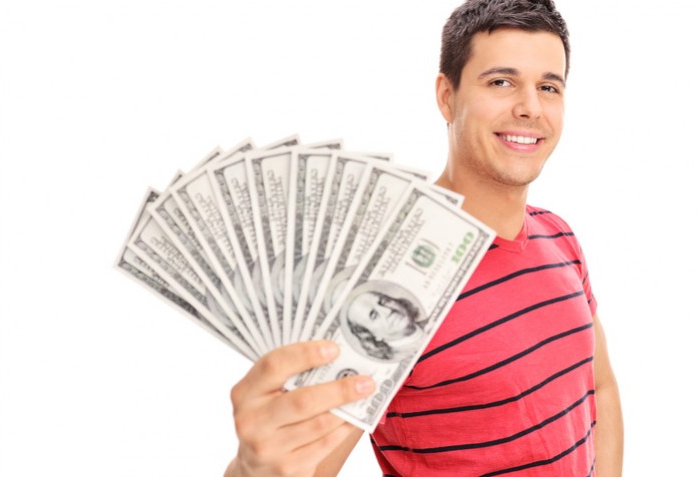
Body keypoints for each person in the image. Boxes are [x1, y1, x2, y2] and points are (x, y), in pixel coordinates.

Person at [224, 1, 623, 475]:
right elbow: (296, 464)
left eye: (548, 87)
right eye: (501, 82)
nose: (530, 107)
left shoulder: (559, 236)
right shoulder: (391, 277)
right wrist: (253, 468)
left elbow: (600, 389)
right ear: (446, 96)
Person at [341, 284, 426, 361]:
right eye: (374, 315)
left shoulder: (432, 324)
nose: (388, 310)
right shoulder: (400, 360)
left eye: (383, 302)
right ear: (372, 336)